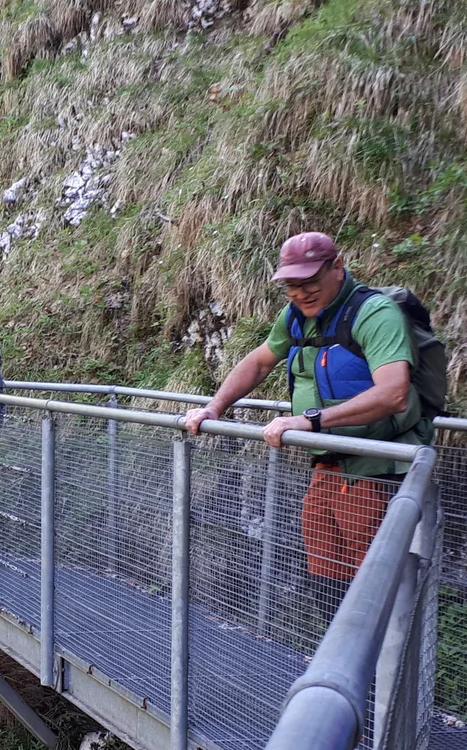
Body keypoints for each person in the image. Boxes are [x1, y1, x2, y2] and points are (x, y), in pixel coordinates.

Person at [182, 232, 430, 600]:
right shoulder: (297, 316)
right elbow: (259, 361)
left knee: (369, 587)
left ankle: (375, 658)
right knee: (325, 581)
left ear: (337, 268)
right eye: (291, 286)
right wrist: (214, 407)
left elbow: (394, 393)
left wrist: (309, 421)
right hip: (326, 466)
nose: (301, 293)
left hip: (376, 469)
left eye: (310, 281)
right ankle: (332, 655)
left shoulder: (375, 314)